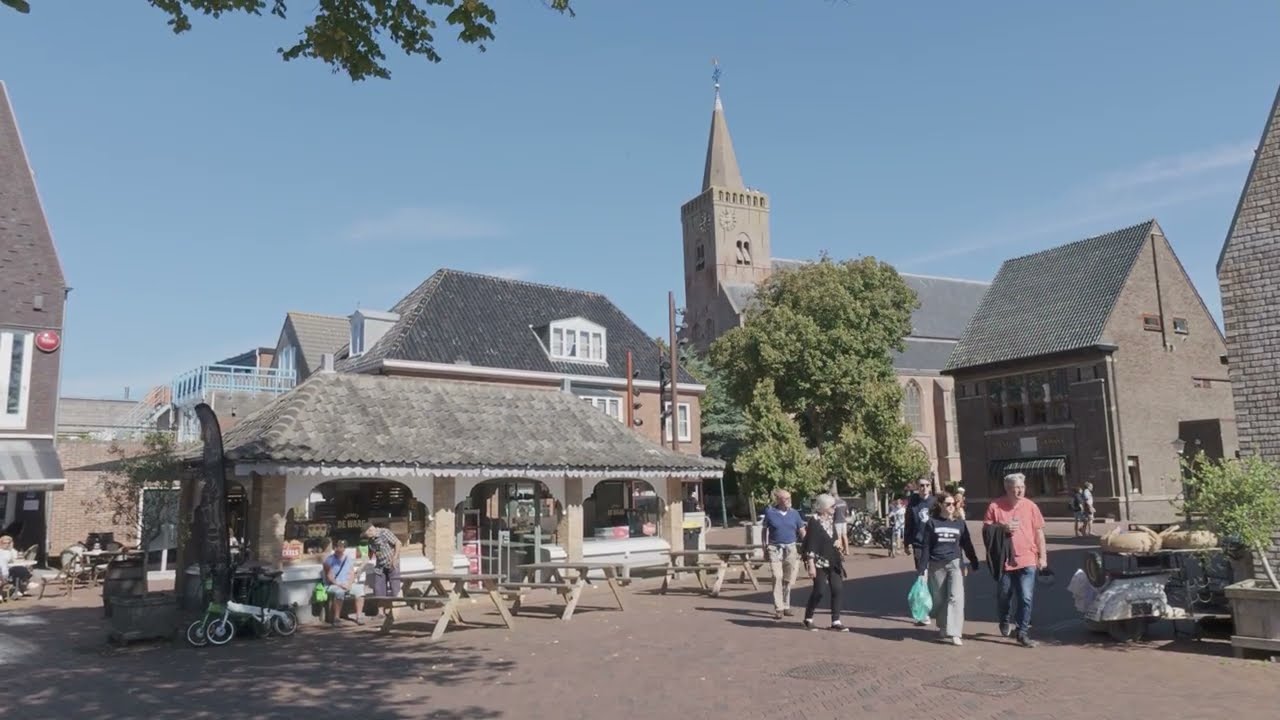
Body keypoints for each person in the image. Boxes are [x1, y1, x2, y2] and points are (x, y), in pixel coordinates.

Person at [983, 472, 1048, 647]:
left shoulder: (1031, 506)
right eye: (1015, 488)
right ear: (1007, 488)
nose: (1019, 491)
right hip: (1005, 560)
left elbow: (1039, 532)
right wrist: (1002, 528)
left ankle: (1022, 632)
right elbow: (986, 531)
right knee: (1004, 594)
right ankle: (1004, 619)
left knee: (1026, 597)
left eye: (1021, 487)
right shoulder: (995, 506)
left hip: (1028, 558)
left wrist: (1043, 557)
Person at [917, 493, 980, 646]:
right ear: (940, 505)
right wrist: (922, 570)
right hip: (936, 564)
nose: (951, 506)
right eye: (948, 504)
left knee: (956, 597)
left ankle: (955, 632)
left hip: (955, 563)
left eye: (954, 504)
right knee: (939, 599)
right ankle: (943, 626)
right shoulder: (931, 523)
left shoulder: (959, 523)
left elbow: (967, 543)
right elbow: (926, 547)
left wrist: (974, 560)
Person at [801, 494, 848, 632]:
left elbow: (832, 537)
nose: (835, 508)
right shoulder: (814, 522)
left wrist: (838, 542)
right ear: (823, 507)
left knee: (837, 588)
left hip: (833, 560)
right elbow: (811, 544)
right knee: (819, 590)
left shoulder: (830, 519)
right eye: (832, 506)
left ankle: (836, 620)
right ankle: (808, 618)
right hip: (819, 562)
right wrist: (811, 565)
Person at [761, 488, 806, 620]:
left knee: (788, 579)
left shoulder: (795, 514)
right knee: (777, 576)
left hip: (790, 548)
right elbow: (764, 530)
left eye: (789, 498)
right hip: (775, 548)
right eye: (785, 499)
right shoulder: (770, 512)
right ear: (778, 500)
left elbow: (802, 530)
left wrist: (808, 544)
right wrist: (765, 547)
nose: (788, 501)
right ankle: (779, 608)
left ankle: (786, 605)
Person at [322, 538, 365, 626]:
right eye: (339, 547)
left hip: (346, 583)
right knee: (339, 592)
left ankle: (359, 616)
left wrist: (349, 584)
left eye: (343, 547)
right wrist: (340, 585)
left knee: (359, 590)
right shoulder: (329, 560)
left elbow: (351, 573)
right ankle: (336, 618)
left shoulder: (348, 559)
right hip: (334, 584)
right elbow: (330, 577)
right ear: (335, 548)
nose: (341, 549)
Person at [362, 523, 402, 614]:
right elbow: (369, 556)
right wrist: (360, 568)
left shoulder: (384, 532)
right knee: (378, 588)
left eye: (366, 534)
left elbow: (398, 543)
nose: (366, 536)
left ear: (370, 530)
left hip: (392, 563)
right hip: (380, 565)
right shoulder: (371, 540)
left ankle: (395, 610)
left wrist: (395, 558)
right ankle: (380, 611)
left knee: (395, 587)